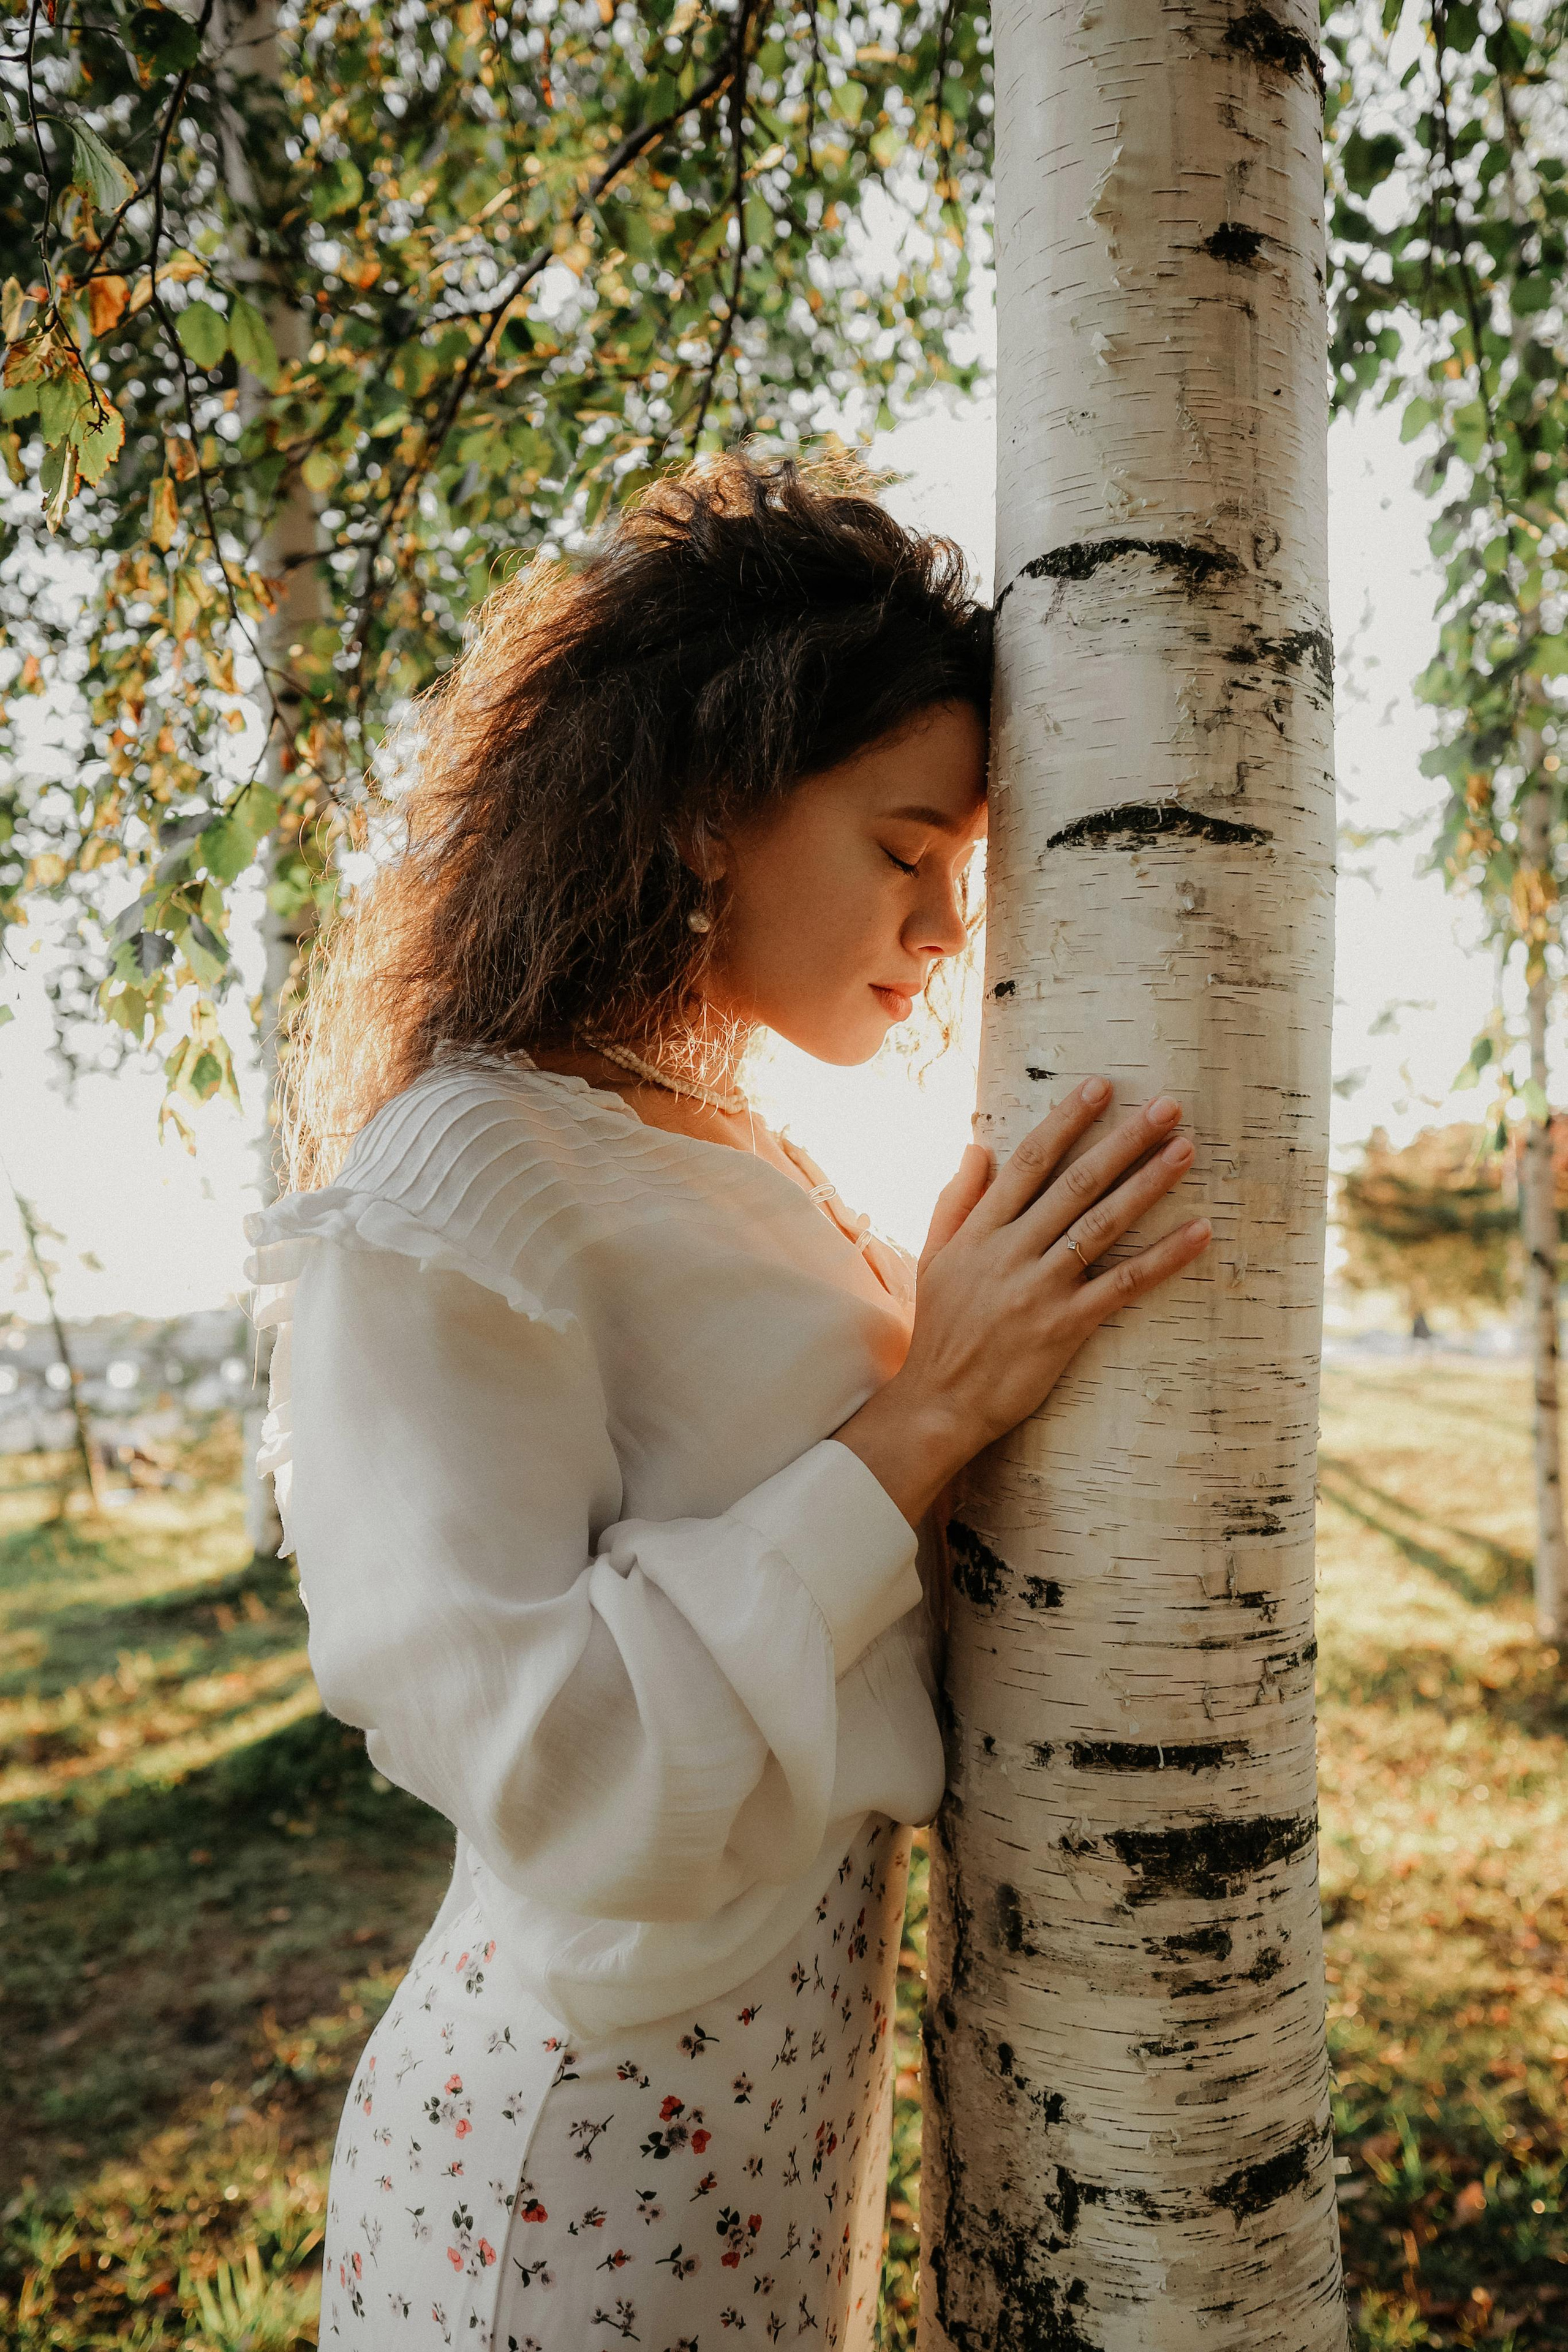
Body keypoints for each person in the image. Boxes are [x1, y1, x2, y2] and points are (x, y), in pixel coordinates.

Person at [244, 451, 1210, 2351]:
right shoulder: (464, 1180)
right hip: (568, 2165)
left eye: (965, 871)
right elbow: (553, 1765)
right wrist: (923, 1417)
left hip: (777, 2120)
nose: (945, 931)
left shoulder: (719, 1145)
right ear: (707, 814)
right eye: (904, 847)